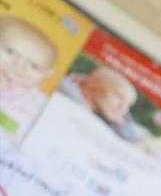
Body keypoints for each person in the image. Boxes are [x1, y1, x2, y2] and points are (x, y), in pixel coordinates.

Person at [0, 16, 57, 146]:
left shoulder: (38, 104)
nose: (18, 66)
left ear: (48, 73)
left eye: (34, 66)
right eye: (10, 52)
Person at [60, 65, 148, 142]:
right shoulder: (65, 93)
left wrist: (119, 124)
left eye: (128, 104)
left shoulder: (105, 113)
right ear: (95, 88)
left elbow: (133, 137)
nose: (124, 108)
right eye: (120, 98)